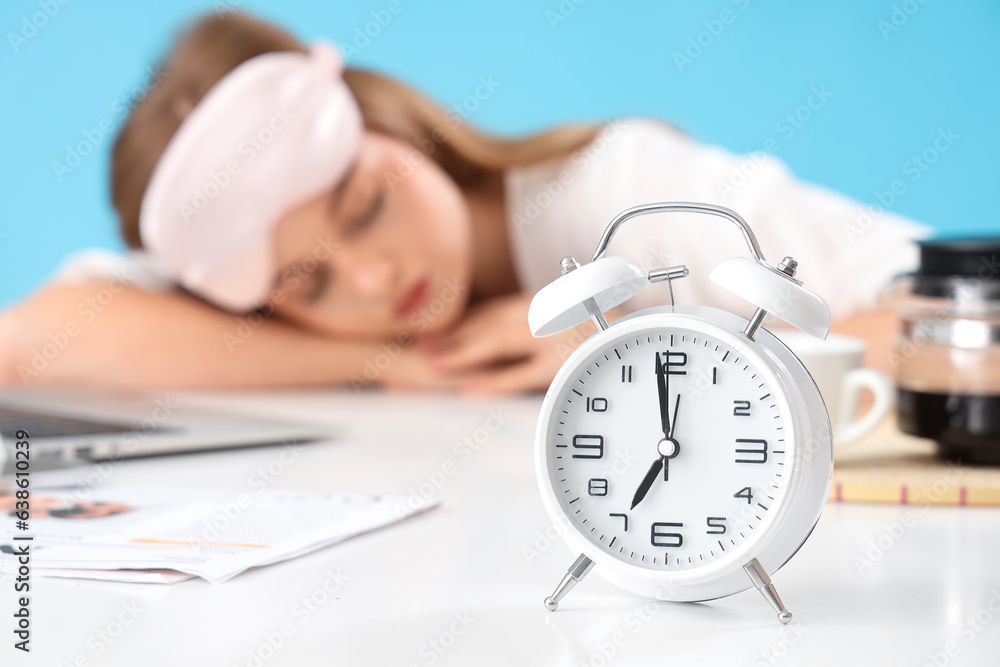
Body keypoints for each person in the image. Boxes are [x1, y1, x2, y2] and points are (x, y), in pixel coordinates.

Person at [0, 12, 926, 394]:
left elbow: (964, 325)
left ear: (389, 121)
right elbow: (32, 338)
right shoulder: (290, 315)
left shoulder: (620, 194)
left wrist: (633, 354)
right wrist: (391, 363)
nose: (373, 276)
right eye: (305, 281)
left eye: (364, 206)